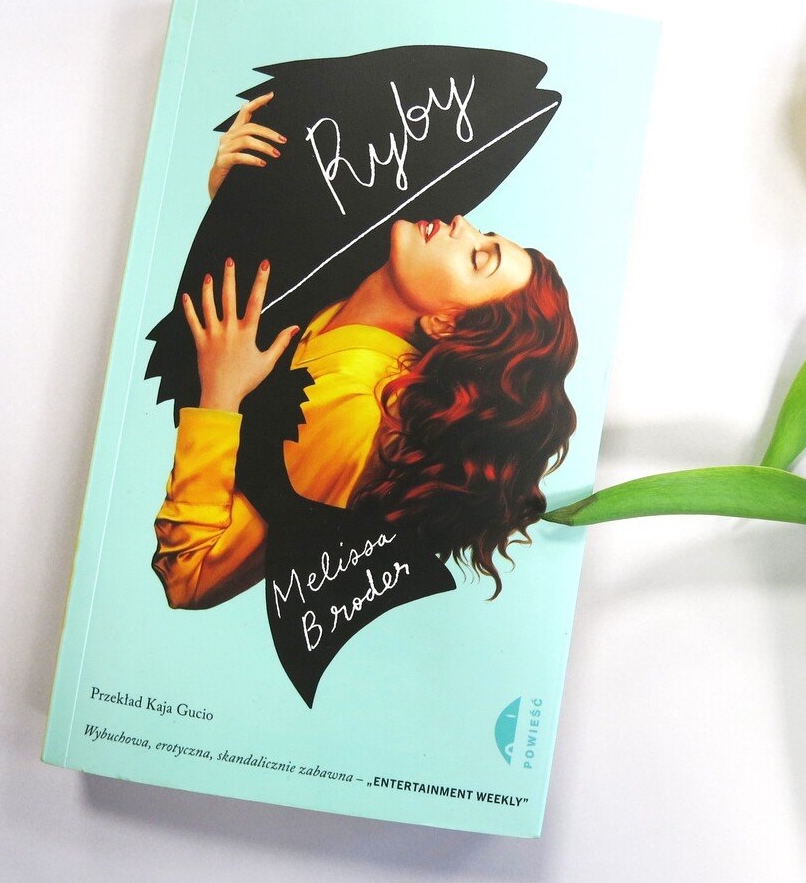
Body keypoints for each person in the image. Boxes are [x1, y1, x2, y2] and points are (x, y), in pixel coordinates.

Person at [152, 95, 579, 611]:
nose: (461, 223)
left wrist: (219, 396)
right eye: (483, 235)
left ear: (447, 322)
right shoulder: (344, 276)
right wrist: (231, 200)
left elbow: (189, 579)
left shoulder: (356, 413)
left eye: (477, 259)